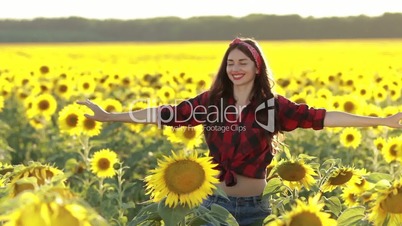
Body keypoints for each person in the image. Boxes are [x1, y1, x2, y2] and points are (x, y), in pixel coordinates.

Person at [77, 37, 402, 226]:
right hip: (211, 206)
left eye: (243, 62)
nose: (235, 68)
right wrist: (110, 116)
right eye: (230, 62)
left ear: (256, 67)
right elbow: (166, 114)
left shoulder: (274, 107)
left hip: (253, 208)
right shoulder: (210, 102)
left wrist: (382, 121)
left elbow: (323, 117)